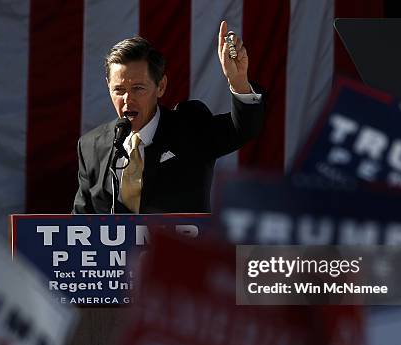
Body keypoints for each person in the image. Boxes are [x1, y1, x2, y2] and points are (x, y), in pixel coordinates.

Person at [72, 21, 265, 214]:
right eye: (119, 90)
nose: (127, 99)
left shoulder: (189, 128)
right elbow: (78, 225)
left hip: (178, 243)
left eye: (138, 89)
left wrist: (238, 81)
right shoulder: (92, 146)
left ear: (161, 86)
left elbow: (243, 129)